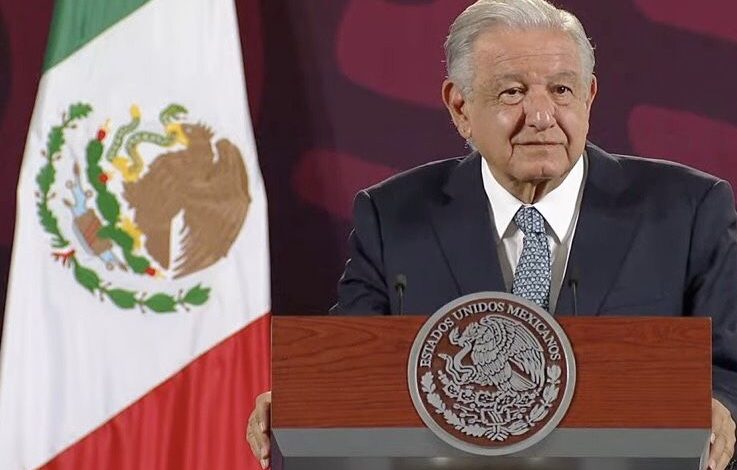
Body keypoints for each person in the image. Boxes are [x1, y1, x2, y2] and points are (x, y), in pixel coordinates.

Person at [246, 1, 737, 469]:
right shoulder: (394, 217)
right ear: (460, 107)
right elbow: (351, 368)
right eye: (513, 93)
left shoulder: (687, 210)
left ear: (589, 97)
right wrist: (299, 406)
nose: (541, 116)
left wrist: (721, 405)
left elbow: (729, 364)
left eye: (561, 90)